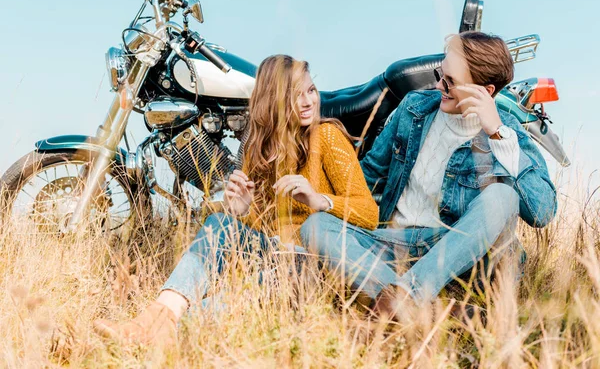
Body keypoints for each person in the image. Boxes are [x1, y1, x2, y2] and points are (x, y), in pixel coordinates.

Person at [93, 54, 379, 344]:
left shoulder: (326, 136)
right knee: (219, 222)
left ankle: (172, 335)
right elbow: (265, 230)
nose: (308, 102)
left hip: (313, 266)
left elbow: (370, 214)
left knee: (253, 289)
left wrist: (318, 200)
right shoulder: (260, 149)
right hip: (274, 256)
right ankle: (156, 317)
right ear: (274, 100)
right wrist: (240, 210)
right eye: (295, 95)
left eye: (311, 91)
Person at [300, 32, 557, 318]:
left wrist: (496, 133)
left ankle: (404, 298)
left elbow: (542, 212)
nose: (438, 85)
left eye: (450, 82)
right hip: (396, 243)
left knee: (502, 195)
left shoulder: (506, 131)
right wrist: (317, 194)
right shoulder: (414, 108)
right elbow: (367, 177)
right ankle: (430, 309)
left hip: (458, 254)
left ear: (486, 91)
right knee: (316, 226)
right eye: (440, 74)